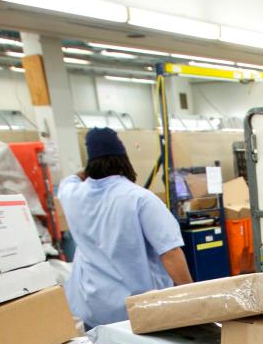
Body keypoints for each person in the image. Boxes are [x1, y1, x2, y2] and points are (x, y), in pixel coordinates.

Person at [56, 127, 192, 328]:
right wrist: (192, 298)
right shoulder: (140, 199)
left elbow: (71, 179)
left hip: (93, 311)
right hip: (138, 313)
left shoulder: (71, 195)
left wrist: (93, 166)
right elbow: (170, 252)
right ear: (124, 159)